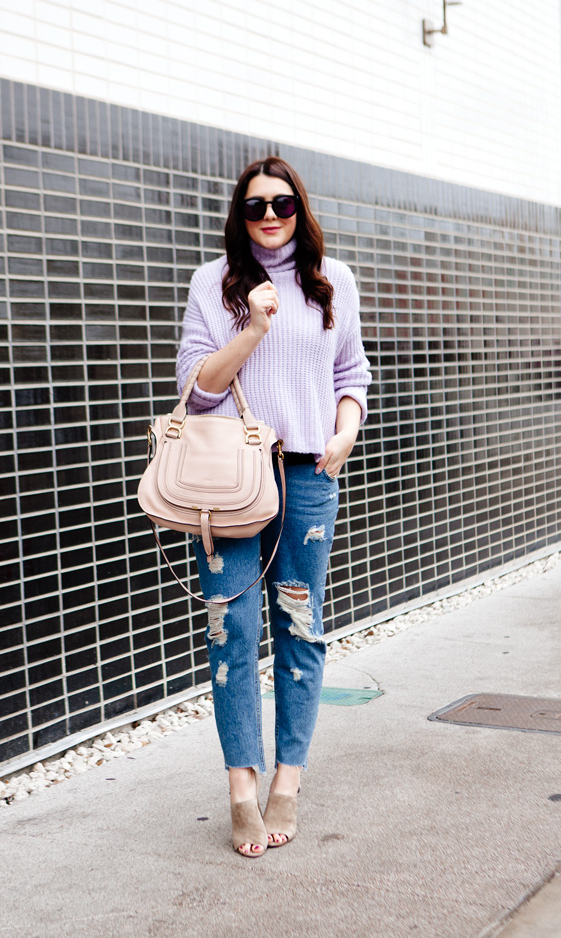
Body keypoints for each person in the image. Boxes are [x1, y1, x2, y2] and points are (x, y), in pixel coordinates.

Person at [176, 157, 371, 857]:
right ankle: (240, 789)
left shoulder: (332, 281)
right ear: (240, 212)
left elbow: (351, 371)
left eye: (281, 204)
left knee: (299, 623)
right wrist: (252, 327)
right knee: (231, 626)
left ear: (300, 207)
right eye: (255, 206)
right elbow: (198, 387)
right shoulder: (213, 283)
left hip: (309, 473)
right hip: (230, 474)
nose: (268, 217)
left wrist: (345, 432)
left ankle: (287, 778)